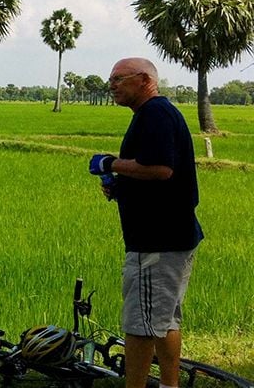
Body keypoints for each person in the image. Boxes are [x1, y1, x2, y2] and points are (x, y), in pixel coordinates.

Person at [90, 58, 203, 388]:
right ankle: (169, 384)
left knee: (141, 323)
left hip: (157, 240)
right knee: (164, 319)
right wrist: (120, 184)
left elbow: (160, 169)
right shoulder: (154, 114)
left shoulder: (154, 114)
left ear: (143, 80)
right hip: (172, 235)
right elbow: (157, 173)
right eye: (110, 78)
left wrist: (110, 162)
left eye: (119, 79)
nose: (112, 84)